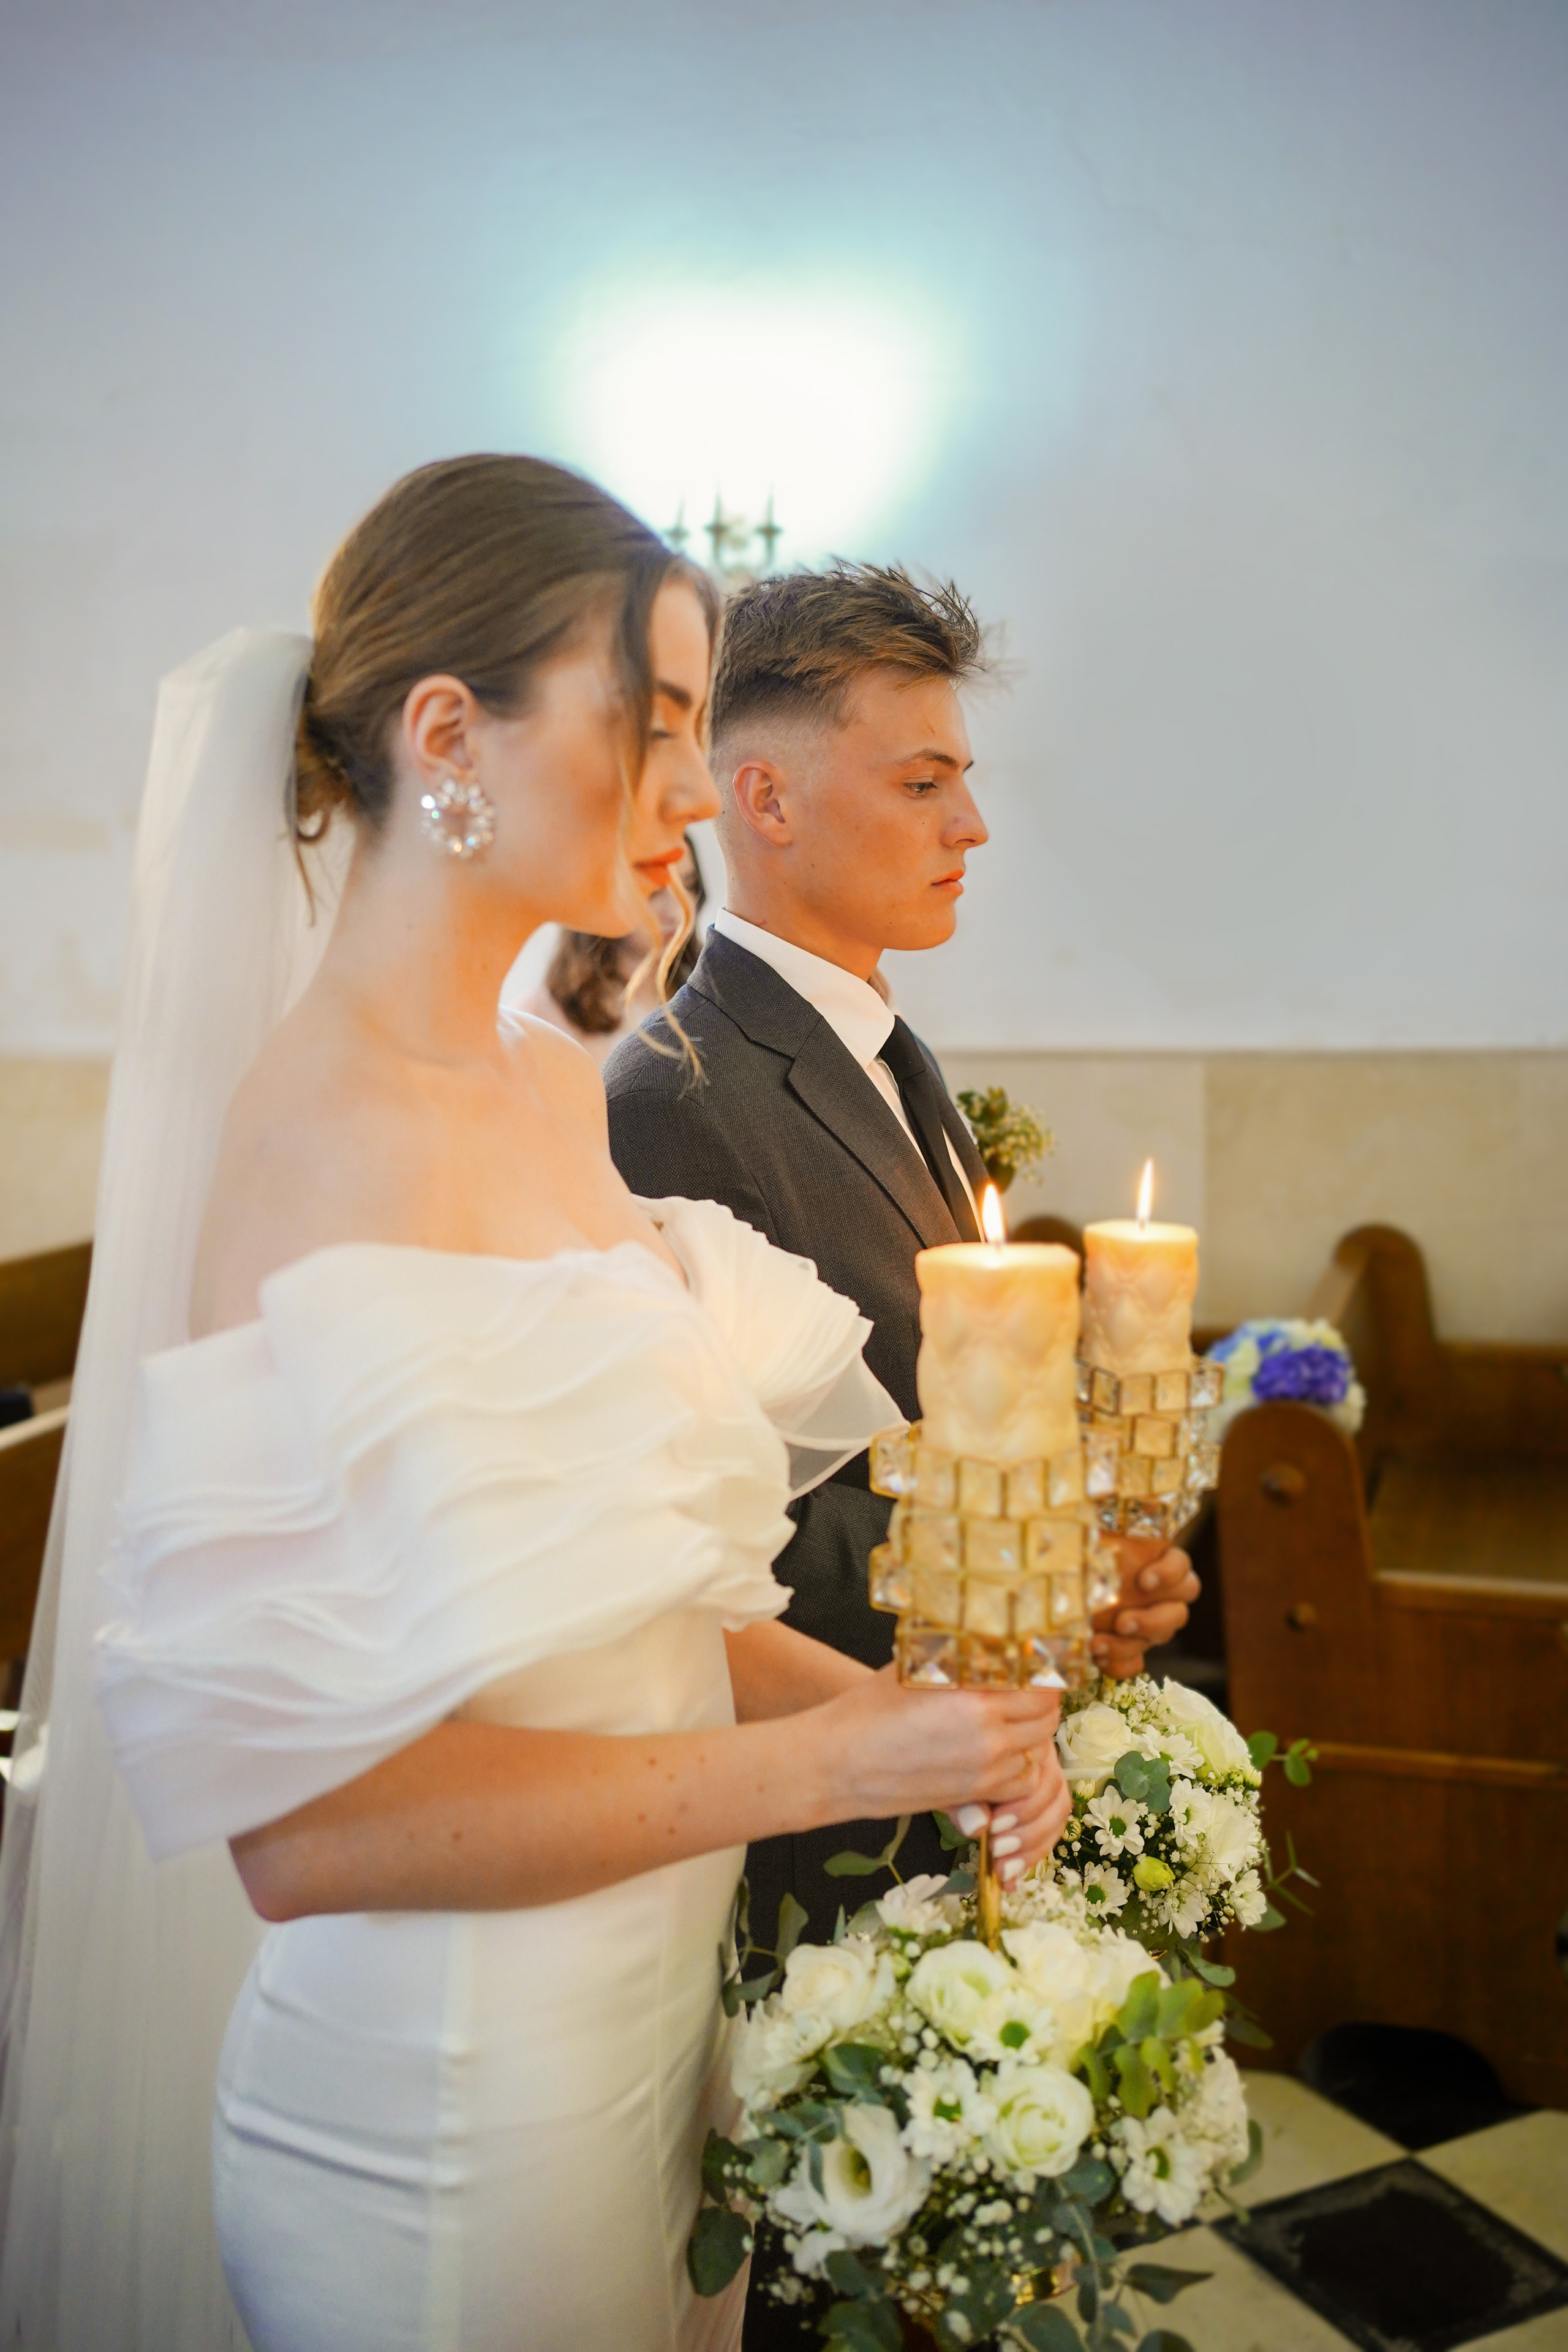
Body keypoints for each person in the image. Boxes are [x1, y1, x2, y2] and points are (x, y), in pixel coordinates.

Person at [0, 458, 1071, 2352]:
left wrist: (925, 1720)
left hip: (648, 2041)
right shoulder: (311, 1140)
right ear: (448, 736)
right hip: (446, 2119)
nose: (690, 786)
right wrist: (836, 1768)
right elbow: (312, 1832)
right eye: (651, 723)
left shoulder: (546, 1076)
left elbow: (638, 1612)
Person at [605, 564, 1200, 1960]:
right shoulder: (673, 1096)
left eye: (961, 779)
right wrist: (1030, 1571)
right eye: (923, 781)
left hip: (950, 1771)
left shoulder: (876, 1044)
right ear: (763, 799)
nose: (971, 824)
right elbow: (690, 1526)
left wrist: (1084, 1566)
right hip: (822, 1837)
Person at [511, 832, 705, 1064]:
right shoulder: (541, 1017)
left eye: (689, 886)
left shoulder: (705, 994)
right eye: (654, 892)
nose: (677, 912)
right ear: (606, 892)